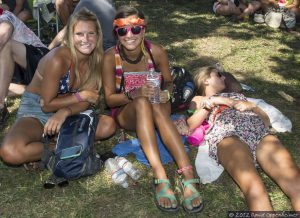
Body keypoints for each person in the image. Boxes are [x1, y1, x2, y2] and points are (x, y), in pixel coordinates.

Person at [101, 6, 203, 213]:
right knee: (142, 102)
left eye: (135, 29)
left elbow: (168, 83)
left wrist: (167, 92)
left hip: (158, 106)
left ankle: (187, 172)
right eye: (122, 31)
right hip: (127, 111)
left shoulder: (156, 51)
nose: (129, 35)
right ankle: (160, 174)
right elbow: (110, 100)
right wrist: (135, 93)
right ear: (116, 34)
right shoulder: (110, 57)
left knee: (154, 102)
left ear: (144, 30)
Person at [0, 8, 116, 169]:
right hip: (37, 110)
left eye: (91, 33)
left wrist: (65, 111)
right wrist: (80, 95)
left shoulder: (97, 60)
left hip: (70, 111)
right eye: (79, 34)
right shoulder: (59, 58)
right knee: (10, 152)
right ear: (70, 36)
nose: (86, 39)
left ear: (98, 35)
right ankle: (65, 146)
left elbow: (88, 100)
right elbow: (46, 104)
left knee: (108, 126)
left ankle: (50, 146)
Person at [187, 66, 300, 211]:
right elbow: (190, 125)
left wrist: (253, 107)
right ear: (206, 80)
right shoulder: (200, 99)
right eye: (219, 75)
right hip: (228, 136)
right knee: (255, 189)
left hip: (259, 133)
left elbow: (266, 122)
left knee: (295, 182)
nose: (223, 78)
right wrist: (217, 102)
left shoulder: (238, 96)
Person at [0, 6, 49, 125]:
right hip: (24, 71)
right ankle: (34, 90)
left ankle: (0, 106)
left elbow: (3, 37)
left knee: (8, 46)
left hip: (42, 60)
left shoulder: (4, 18)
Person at [49, 0, 116, 51]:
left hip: (105, 48)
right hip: (114, 45)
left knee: (63, 50)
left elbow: (67, 31)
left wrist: (47, 50)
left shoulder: (86, 3)